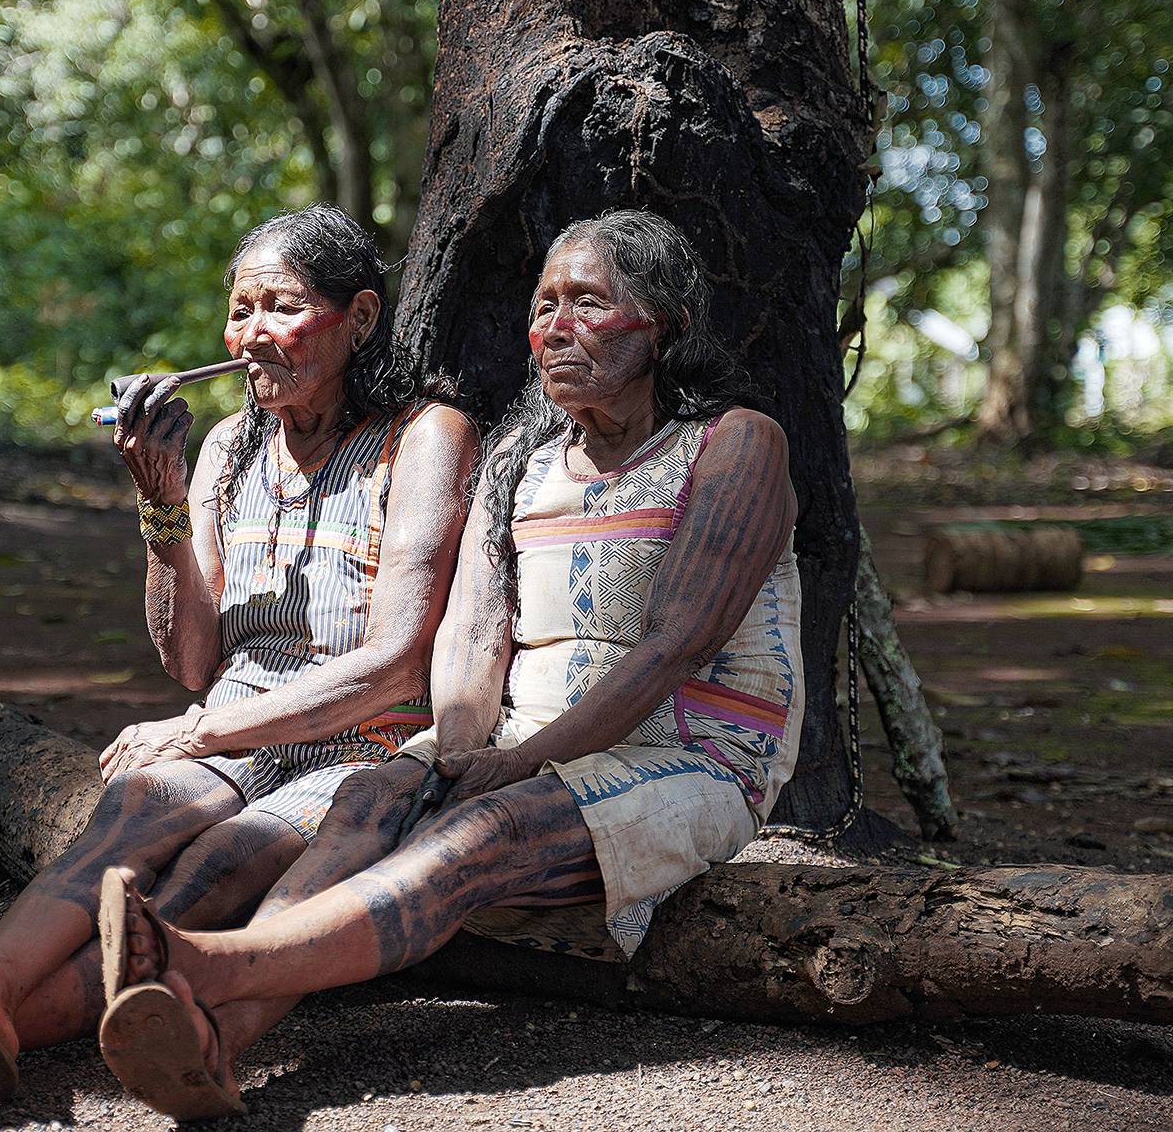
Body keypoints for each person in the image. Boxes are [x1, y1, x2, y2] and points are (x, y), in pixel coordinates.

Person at [91, 208, 804, 1119]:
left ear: (661, 324)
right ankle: (216, 1043)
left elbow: (677, 646)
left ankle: (200, 965)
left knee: (479, 836)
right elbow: (473, 639)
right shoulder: (523, 459)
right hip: (518, 746)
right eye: (544, 305)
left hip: (694, 753)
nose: (553, 328)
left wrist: (510, 768)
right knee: (369, 800)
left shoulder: (737, 443)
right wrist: (456, 752)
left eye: (588, 303)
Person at [0, 204, 478, 1105]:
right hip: (238, 724)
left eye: (281, 308)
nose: (252, 336)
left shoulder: (425, 435)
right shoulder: (231, 448)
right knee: (135, 817)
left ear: (358, 318)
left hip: (369, 740)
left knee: (215, 865)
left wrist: (198, 734)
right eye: (240, 311)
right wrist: (159, 497)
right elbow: (192, 659)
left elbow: (396, 664)